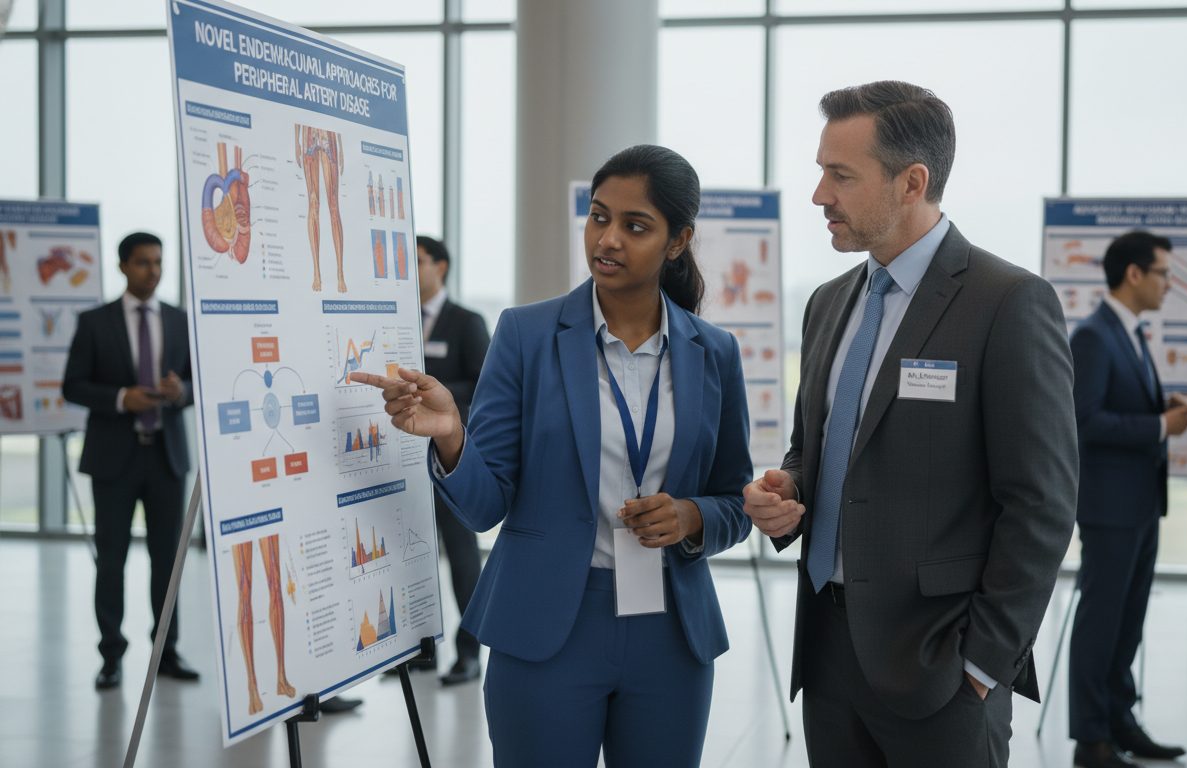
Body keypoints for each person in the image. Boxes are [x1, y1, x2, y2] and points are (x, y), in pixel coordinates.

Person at [352, 144, 754, 767]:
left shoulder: (715, 353)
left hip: (671, 631)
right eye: (599, 216)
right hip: (546, 625)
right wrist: (452, 435)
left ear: (678, 242)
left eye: (635, 225)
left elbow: (735, 495)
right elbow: (485, 506)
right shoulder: (526, 334)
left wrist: (694, 516)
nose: (608, 239)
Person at [740, 81, 1078, 767]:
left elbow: (1041, 504)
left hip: (943, 668)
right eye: (820, 172)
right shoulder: (829, 303)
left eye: (840, 175)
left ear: (911, 183)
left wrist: (983, 664)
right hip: (829, 653)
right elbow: (816, 448)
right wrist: (788, 495)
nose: (819, 197)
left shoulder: (1007, 302)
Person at [1067, 231, 1187, 768]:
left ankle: (1121, 720)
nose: (1170, 283)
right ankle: (1091, 740)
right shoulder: (1095, 336)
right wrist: (1158, 425)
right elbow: (1084, 419)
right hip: (1109, 507)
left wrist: (1158, 411)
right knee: (1102, 622)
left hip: (1139, 504)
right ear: (1135, 274)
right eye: (1164, 273)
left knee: (1129, 621)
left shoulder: (1131, 333)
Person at [63, 232, 200, 690]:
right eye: (143, 262)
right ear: (123, 266)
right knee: (113, 560)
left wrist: (181, 392)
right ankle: (111, 655)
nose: (153, 271)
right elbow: (73, 386)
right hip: (114, 460)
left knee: (168, 561)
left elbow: (198, 382)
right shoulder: (94, 322)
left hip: (166, 458)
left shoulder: (181, 320)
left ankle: (167, 651)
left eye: (158, 262)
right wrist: (123, 398)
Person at [415, 235, 490, 685]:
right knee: (410, 554)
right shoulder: (399, 320)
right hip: (401, 460)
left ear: (441, 267)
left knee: (462, 556)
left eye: (417, 260)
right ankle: (419, 650)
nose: (409, 269)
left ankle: (469, 653)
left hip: (451, 458)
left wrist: (437, 399)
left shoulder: (466, 321)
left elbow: (486, 385)